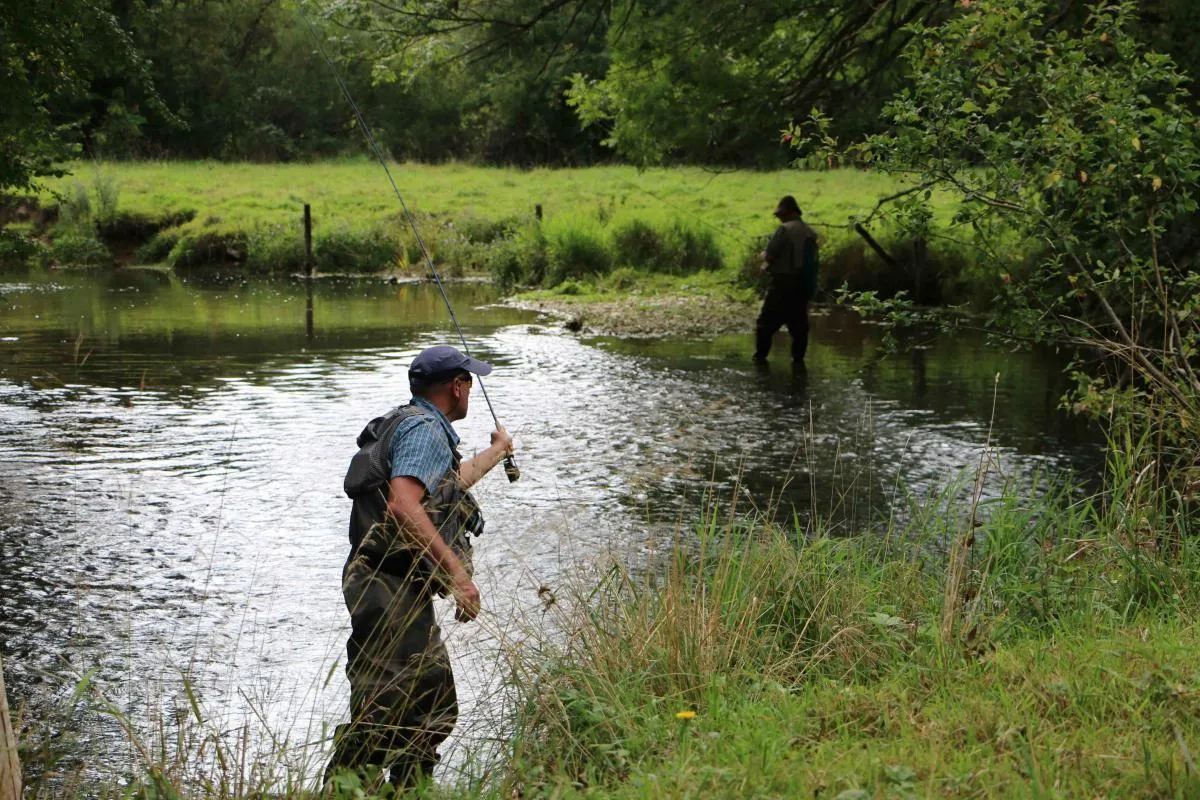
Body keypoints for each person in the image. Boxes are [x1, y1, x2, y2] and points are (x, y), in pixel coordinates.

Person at [325, 344, 514, 791]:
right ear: (457, 386)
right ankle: (351, 789)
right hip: (388, 584)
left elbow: (442, 487)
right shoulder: (426, 431)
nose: (470, 389)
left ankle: (405, 788)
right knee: (402, 703)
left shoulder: (409, 422)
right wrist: (458, 576)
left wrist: (498, 451)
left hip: (383, 582)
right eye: (469, 381)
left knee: (414, 697)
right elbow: (405, 504)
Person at [754, 195, 819, 364]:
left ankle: (760, 361)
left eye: (781, 214)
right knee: (799, 328)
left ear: (789, 213)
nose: (779, 218)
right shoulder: (809, 232)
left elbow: (770, 255)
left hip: (782, 284)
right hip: (802, 286)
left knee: (764, 325)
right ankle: (798, 363)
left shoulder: (785, 230)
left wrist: (762, 256)